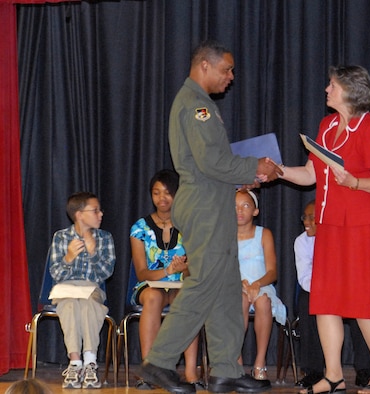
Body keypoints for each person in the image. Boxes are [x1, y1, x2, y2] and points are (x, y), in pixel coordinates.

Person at [140, 40, 281, 394]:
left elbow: (215, 165)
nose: (231, 77)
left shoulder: (199, 104)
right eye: (226, 70)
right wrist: (254, 165)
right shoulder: (196, 106)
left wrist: (242, 174)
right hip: (205, 205)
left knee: (223, 287)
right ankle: (158, 361)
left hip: (213, 200)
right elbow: (211, 162)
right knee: (204, 284)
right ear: (204, 65)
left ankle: (224, 369)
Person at [278, 65, 370, 394]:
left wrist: (354, 181)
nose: (326, 90)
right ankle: (333, 375)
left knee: (362, 298)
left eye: (332, 85)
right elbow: (310, 175)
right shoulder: (326, 126)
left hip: (361, 225)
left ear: (349, 90)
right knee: (325, 299)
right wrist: (279, 171)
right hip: (328, 224)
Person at [130, 169, 201, 389]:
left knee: (189, 298)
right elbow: (141, 272)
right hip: (150, 285)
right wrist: (168, 270)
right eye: (156, 193)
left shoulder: (191, 225)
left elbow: (194, 271)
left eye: (168, 193)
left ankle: (190, 373)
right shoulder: (139, 228)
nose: (162, 198)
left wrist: (185, 268)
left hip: (180, 286)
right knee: (152, 296)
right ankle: (148, 369)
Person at [294, 200, 370, 388]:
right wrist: (324, 288)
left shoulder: (343, 237)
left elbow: (355, 270)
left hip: (345, 288)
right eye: (304, 217)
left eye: (312, 218)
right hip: (320, 289)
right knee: (307, 301)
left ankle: (365, 370)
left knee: (360, 303)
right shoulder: (301, 241)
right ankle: (314, 371)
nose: (307, 222)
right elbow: (304, 277)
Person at [49, 192, 116, 389]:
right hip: (65, 290)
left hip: (91, 288)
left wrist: (93, 252)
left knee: (88, 305)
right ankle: (75, 362)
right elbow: (56, 273)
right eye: (95, 210)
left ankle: (90, 362)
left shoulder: (105, 238)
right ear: (79, 214)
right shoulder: (61, 237)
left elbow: (106, 273)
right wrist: (68, 257)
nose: (101, 214)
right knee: (69, 305)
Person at [236, 190, 287, 380]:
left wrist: (256, 284)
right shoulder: (224, 235)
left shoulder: (264, 234)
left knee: (263, 302)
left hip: (261, 285)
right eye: (235, 206)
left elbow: (272, 272)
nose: (239, 210)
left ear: (255, 211)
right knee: (239, 300)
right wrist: (240, 283)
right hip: (234, 286)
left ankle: (260, 362)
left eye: (245, 206)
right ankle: (236, 360)